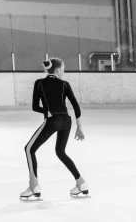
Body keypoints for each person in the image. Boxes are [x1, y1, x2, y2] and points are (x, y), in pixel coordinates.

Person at [20, 57, 89, 201]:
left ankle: (34, 186)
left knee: (29, 149)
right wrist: (79, 127)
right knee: (60, 152)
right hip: (67, 120)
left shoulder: (39, 83)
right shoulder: (65, 84)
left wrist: (47, 113)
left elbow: (34, 107)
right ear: (57, 70)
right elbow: (76, 106)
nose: (63, 72)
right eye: (63, 70)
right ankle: (80, 182)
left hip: (53, 120)